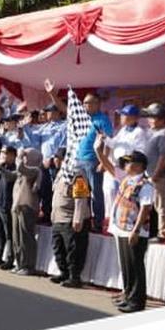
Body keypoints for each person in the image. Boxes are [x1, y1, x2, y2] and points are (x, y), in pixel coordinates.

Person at [45, 80, 113, 232]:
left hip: (93, 161)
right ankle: (85, 220)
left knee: (96, 194)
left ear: (97, 103)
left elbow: (109, 142)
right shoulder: (81, 115)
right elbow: (64, 108)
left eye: (88, 103)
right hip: (78, 161)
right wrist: (52, 94)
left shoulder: (102, 119)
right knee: (81, 193)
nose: (85, 106)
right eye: (84, 103)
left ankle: (98, 224)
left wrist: (104, 162)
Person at [98, 149, 154, 312]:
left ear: (139, 166)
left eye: (129, 162)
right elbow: (109, 167)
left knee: (135, 266)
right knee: (126, 266)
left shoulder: (145, 184)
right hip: (121, 228)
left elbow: (145, 208)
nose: (126, 165)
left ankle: (137, 301)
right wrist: (99, 151)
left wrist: (136, 231)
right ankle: (128, 295)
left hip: (133, 230)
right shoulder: (127, 179)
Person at [49, 148, 90, 288]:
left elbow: (81, 197)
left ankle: (74, 277)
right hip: (58, 218)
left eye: (60, 158)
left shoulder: (77, 174)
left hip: (71, 218)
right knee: (58, 249)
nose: (56, 160)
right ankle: (64, 273)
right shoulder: (61, 173)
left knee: (73, 250)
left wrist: (78, 217)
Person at [141, 103, 165, 240]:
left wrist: (155, 175)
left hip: (159, 177)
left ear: (161, 119)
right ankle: (154, 231)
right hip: (150, 175)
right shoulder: (154, 132)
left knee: (162, 205)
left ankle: (164, 234)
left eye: (152, 117)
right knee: (153, 205)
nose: (149, 120)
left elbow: (164, 157)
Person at [9, 147, 43, 275]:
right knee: (16, 237)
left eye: (26, 155)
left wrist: (19, 156)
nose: (24, 157)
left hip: (27, 207)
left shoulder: (35, 170)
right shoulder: (22, 171)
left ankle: (28, 265)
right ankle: (19, 263)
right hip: (16, 206)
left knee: (26, 238)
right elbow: (9, 176)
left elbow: (21, 168)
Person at [36, 103, 67, 224]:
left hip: (56, 162)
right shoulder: (44, 127)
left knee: (56, 190)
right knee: (45, 189)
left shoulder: (64, 125)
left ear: (57, 112)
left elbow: (65, 143)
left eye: (50, 111)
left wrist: (56, 156)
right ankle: (46, 214)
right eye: (47, 112)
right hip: (43, 162)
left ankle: (56, 216)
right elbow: (34, 140)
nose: (47, 114)